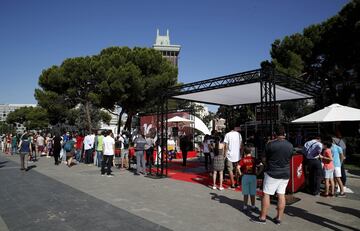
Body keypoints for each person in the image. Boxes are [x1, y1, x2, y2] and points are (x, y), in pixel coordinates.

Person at [251, 125, 293, 225]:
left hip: (272, 173)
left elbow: (263, 159)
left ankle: (262, 217)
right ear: (284, 134)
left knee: (266, 194)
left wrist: (266, 165)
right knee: (281, 195)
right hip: (285, 173)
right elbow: (289, 158)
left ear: (274, 134)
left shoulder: (270, 144)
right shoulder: (290, 145)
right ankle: (279, 218)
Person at [238, 146, 259, 211]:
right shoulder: (254, 159)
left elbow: (238, 167)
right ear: (251, 152)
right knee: (252, 193)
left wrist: (241, 174)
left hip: (245, 177)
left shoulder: (243, 159)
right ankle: (253, 206)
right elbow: (261, 165)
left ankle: (245, 206)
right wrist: (258, 173)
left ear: (244, 152)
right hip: (253, 177)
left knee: (246, 193)